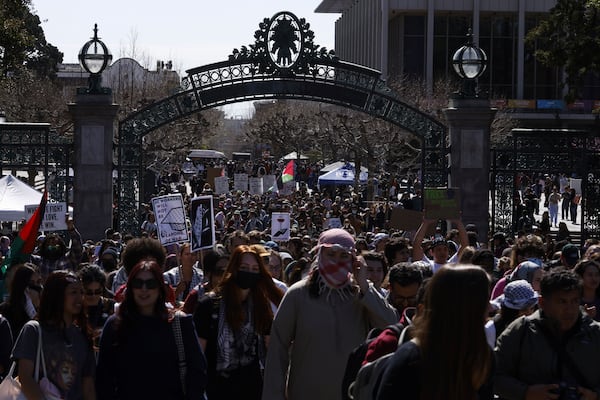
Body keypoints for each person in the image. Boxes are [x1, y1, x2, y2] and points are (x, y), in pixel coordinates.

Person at [262, 228, 397, 400]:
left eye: (344, 256)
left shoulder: (361, 294)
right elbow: (277, 349)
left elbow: (390, 325)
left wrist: (364, 286)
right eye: (331, 254)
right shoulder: (298, 294)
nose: (336, 261)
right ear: (319, 255)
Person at [376, 266, 494, 400]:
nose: (490, 308)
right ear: (462, 308)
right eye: (484, 301)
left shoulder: (482, 356)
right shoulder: (411, 360)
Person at [96, 260, 207, 399]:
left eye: (151, 284)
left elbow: (197, 371)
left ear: (160, 288)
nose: (144, 289)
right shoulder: (115, 325)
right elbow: (104, 377)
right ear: (130, 288)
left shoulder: (179, 323)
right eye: (138, 283)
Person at [193, 245, 284, 400]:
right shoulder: (208, 305)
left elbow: (271, 347)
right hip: (217, 390)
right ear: (234, 269)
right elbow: (197, 354)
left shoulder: (260, 305)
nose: (249, 272)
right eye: (244, 267)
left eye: (255, 269)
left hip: (252, 390)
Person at [494, 270, 600, 400]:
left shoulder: (595, 333)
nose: (570, 309)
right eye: (562, 301)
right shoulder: (521, 331)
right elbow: (494, 375)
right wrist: (526, 392)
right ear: (543, 303)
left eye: (574, 301)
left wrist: (595, 396)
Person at [12, 270, 96, 399]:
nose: (80, 297)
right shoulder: (34, 331)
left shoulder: (83, 336)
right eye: (73, 292)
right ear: (57, 295)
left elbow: (88, 386)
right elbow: (25, 377)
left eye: (81, 292)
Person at [486, 279, 538, 348]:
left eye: (532, 308)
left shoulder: (539, 326)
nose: (529, 313)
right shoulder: (492, 328)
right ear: (511, 310)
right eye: (523, 310)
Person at [0, 263, 43, 339]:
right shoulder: (6, 310)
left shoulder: (44, 310)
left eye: (38, 282)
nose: (36, 286)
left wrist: (36, 306)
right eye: (31, 283)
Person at [77, 264, 115, 350]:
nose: (93, 296)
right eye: (89, 292)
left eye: (97, 291)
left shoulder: (111, 306)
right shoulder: (75, 309)